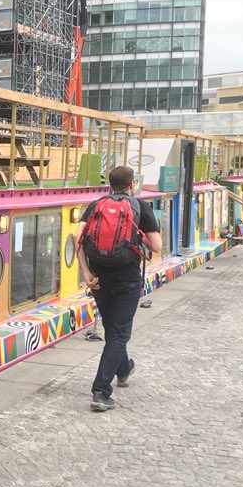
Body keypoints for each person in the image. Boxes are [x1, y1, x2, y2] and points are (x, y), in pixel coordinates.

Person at [76, 165, 162, 412]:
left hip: (99, 280)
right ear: (132, 184)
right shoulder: (139, 207)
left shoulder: (96, 206)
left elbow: (77, 237)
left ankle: (123, 369)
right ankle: (101, 392)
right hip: (127, 280)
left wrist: (86, 272)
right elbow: (156, 246)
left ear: (109, 184)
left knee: (114, 330)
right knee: (119, 335)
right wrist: (140, 236)